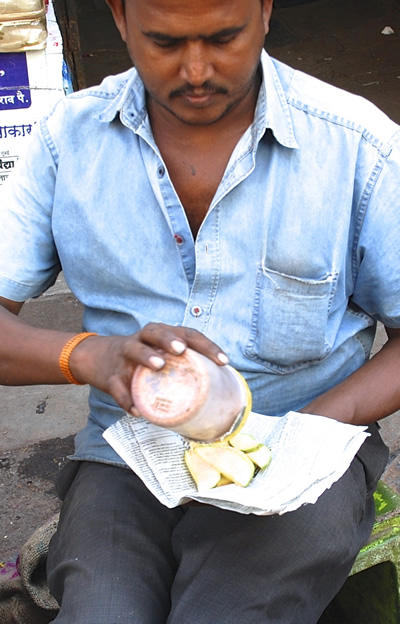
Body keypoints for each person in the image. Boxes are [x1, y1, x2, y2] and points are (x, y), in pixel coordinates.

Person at [0, 0, 399, 621]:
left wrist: (304, 437)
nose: (194, 71)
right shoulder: (65, 143)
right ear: (120, 18)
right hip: (126, 455)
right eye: (164, 42)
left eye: (222, 38)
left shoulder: (356, 147)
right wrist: (91, 356)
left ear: (265, 12)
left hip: (309, 453)